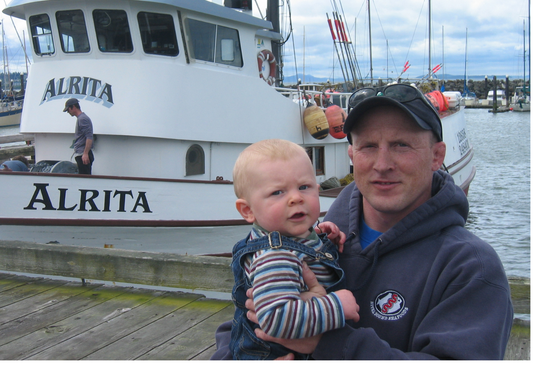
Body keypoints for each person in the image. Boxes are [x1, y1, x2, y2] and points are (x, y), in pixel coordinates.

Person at [214, 84, 512, 359]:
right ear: (352, 154)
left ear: (437, 156)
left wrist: (327, 343)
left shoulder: (470, 268)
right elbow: (239, 325)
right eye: (368, 146)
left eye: (401, 145)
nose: (382, 165)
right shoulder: (313, 238)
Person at [224, 139, 358, 359]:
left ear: (317, 189)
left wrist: (319, 239)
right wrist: (337, 307)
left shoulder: (287, 239)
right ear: (248, 210)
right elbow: (275, 318)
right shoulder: (274, 256)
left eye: (304, 187)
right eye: (278, 192)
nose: (296, 198)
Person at [64, 97, 95, 174]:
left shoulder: (82, 119)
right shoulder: (81, 118)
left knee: (84, 181)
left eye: (68, 109)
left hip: (83, 155)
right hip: (81, 154)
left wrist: (85, 153)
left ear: (73, 107)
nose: (68, 112)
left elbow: (89, 137)